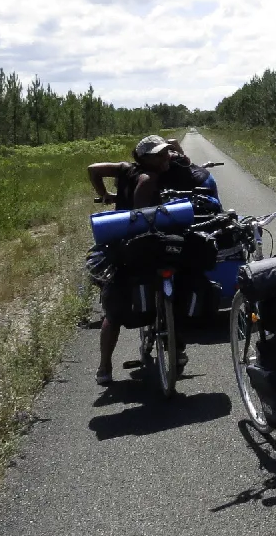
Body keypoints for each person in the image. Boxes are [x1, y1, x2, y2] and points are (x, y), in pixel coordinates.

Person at [87, 134, 179, 385]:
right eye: (160, 154)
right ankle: (176, 346)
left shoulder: (125, 168)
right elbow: (140, 215)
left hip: (119, 243)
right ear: (145, 158)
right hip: (138, 244)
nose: (166, 157)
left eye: (166, 152)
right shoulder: (148, 179)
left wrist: (105, 194)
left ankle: (104, 368)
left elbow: (93, 169)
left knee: (112, 312)